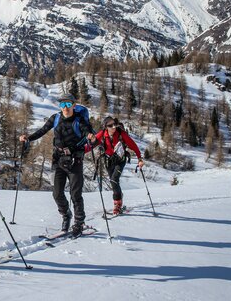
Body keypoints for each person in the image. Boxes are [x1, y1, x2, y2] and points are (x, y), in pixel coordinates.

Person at [19, 93, 95, 237]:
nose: (65, 107)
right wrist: (28, 137)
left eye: (68, 104)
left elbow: (87, 132)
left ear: (73, 105)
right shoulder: (56, 118)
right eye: (62, 104)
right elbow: (42, 131)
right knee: (57, 193)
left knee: (75, 194)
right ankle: (66, 216)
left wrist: (90, 136)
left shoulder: (80, 120)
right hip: (58, 159)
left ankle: (79, 223)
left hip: (75, 160)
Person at [87, 116, 144, 215]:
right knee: (113, 182)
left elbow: (133, 145)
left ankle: (117, 204)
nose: (114, 127)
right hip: (108, 161)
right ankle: (119, 196)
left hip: (120, 160)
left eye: (115, 124)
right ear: (106, 127)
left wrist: (139, 158)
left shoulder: (121, 134)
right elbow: (91, 145)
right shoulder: (102, 134)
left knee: (114, 180)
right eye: (110, 125)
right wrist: (77, 153)